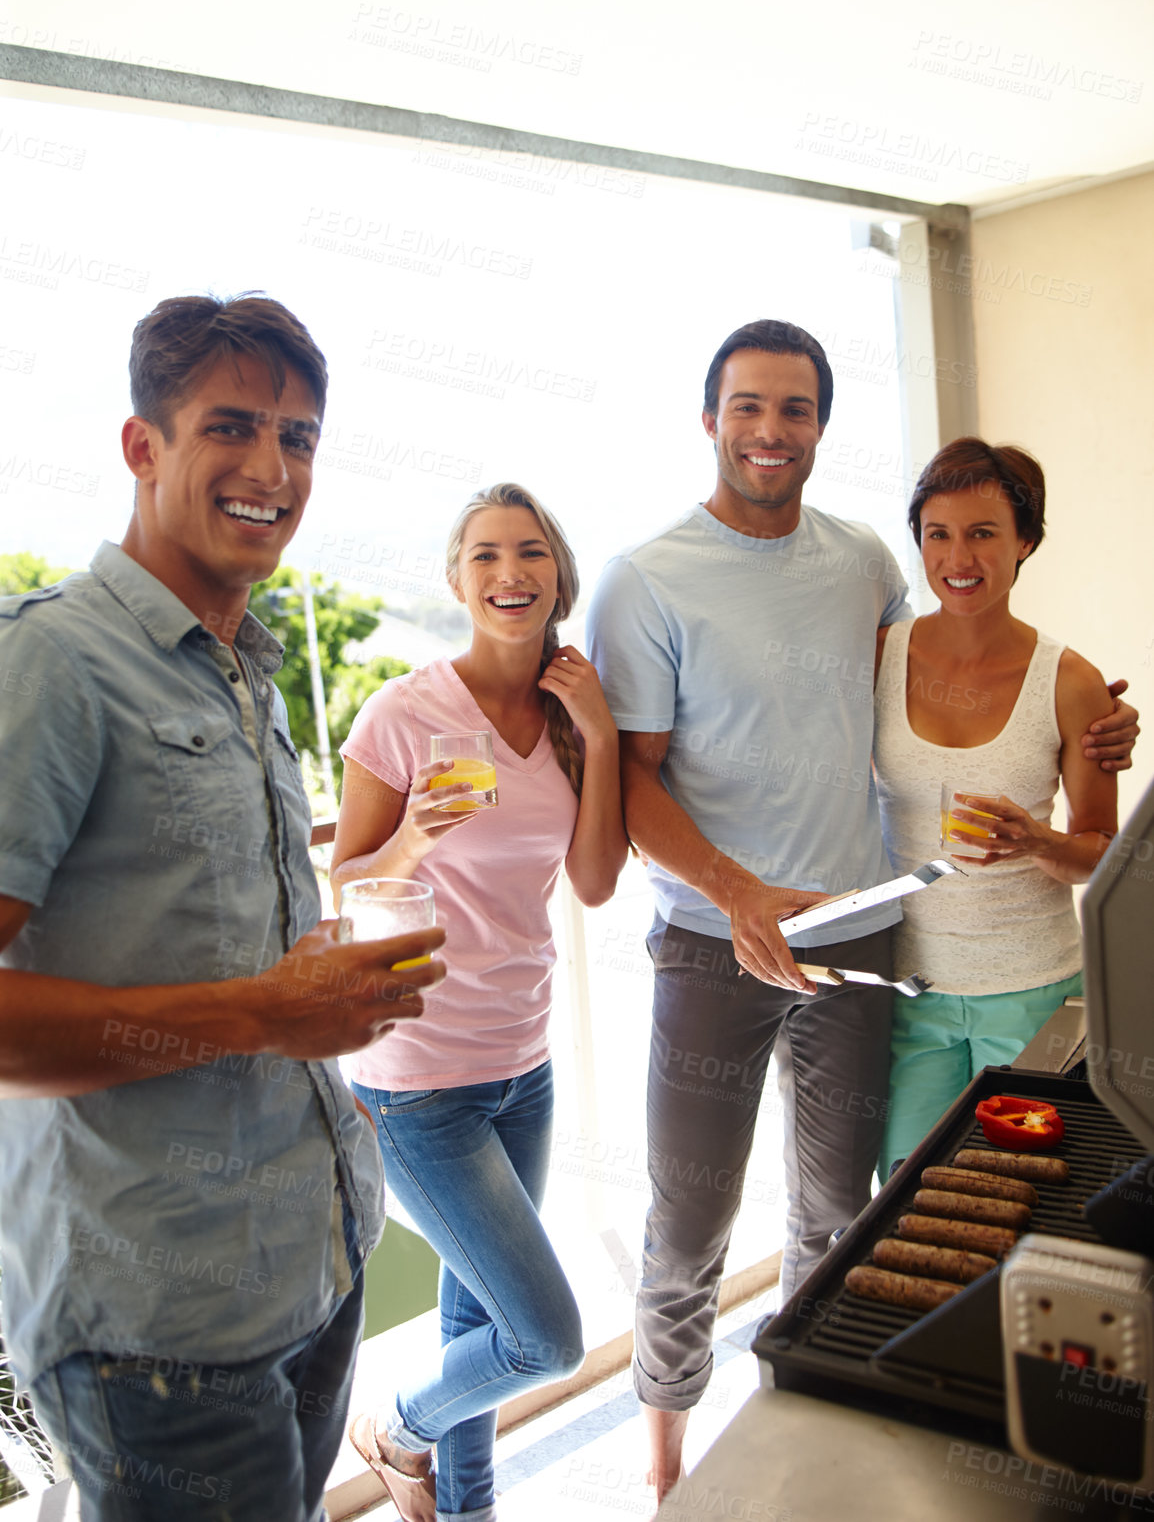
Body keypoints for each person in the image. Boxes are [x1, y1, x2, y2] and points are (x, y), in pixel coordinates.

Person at [584, 318, 1138, 1503]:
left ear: (820, 427)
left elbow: (963, 680)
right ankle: (665, 1471)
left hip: (862, 948)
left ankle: (808, 1442)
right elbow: (630, 776)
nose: (770, 430)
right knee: (687, 1223)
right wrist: (733, 896)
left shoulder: (861, 570)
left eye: (794, 409)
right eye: (748, 407)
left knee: (845, 1215)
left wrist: (1095, 735)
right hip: (707, 942)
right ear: (709, 420)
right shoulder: (646, 577)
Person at [0, 295, 443, 1522]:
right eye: (231, 427)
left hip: (312, 1269)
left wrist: (306, 980)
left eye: (298, 438)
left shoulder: (245, 664)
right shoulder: (51, 663)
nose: (271, 468)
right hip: (158, 1333)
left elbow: (198, 941)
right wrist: (260, 1007)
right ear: (142, 447)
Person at [330, 482, 628, 1522]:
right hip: (416, 1080)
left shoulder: (569, 716)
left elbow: (593, 883)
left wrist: (598, 729)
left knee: (476, 1310)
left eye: (532, 552)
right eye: (488, 554)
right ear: (456, 578)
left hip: (523, 1062)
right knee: (540, 1336)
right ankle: (396, 1426)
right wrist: (414, 833)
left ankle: (465, 1512)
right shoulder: (402, 713)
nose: (512, 573)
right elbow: (347, 880)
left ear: (558, 574)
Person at [875, 440, 1118, 1175]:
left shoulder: (1072, 681)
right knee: (904, 1196)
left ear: (1026, 542)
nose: (960, 557)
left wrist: (1038, 842)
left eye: (984, 533)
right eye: (938, 534)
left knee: (1027, 1192)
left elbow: (1105, 852)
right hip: (912, 985)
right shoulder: (877, 654)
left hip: (1035, 990)